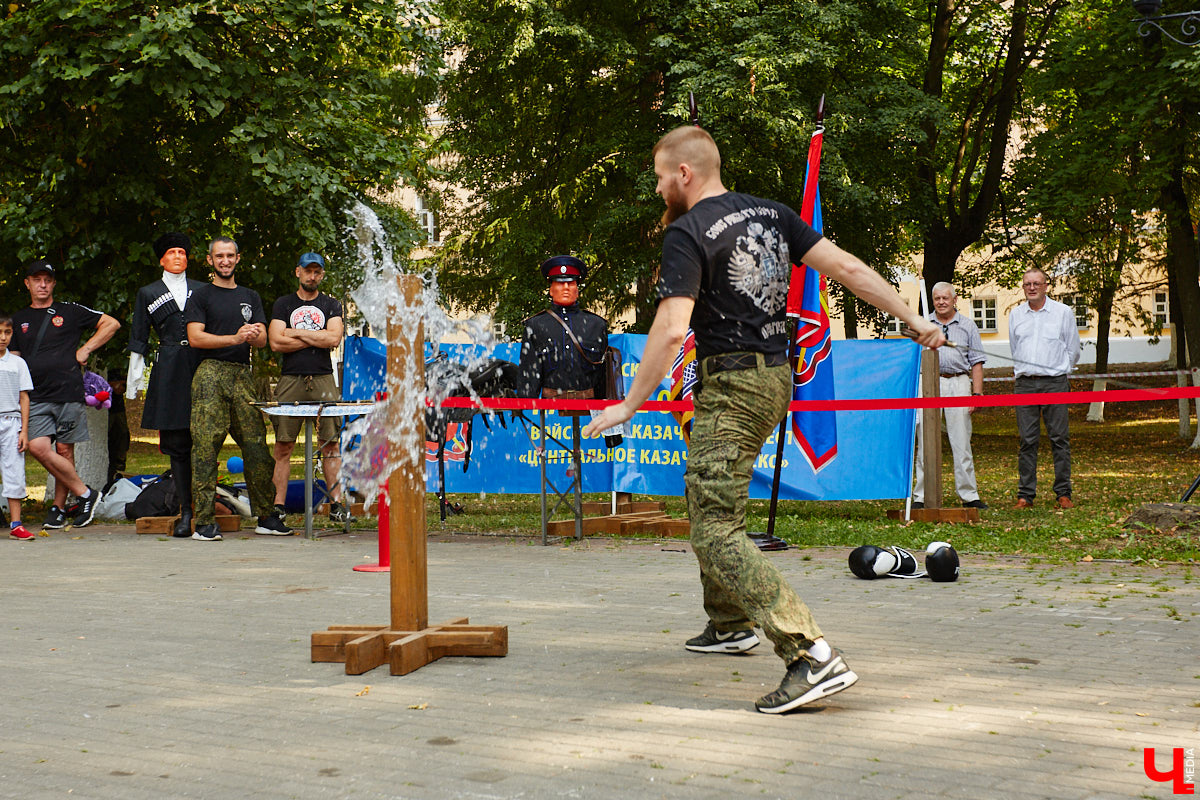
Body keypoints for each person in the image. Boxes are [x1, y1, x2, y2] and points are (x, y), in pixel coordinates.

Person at [583, 125, 944, 714]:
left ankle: (810, 655)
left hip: (734, 383)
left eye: (657, 177)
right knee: (708, 498)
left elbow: (674, 327)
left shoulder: (687, 232)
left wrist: (628, 404)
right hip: (776, 375)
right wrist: (913, 317)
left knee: (714, 526)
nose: (656, 189)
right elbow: (848, 268)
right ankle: (727, 623)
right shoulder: (773, 214)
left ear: (683, 174)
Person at [185, 237, 290, 541]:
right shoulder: (200, 296)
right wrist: (234, 337)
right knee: (205, 448)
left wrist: (253, 335)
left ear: (238, 258)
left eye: (230, 256)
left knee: (257, 446)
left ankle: (267, 516)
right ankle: (204, 523)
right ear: (210, 261)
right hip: (209, 374)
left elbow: (261, 340)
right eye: (220, 256)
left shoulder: (250, 296)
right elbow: (196, 338)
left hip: (243, 375)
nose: (225, 261)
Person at [11, 259, 120, 529]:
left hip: (68, 391)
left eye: (47, 279)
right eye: (37, 279)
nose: (43, 284)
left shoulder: (69, 311)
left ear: (54, 283)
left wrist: (86, 349)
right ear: (27, 283)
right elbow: (13, 359)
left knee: (64, 450)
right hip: (34, 395)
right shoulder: (18, 319)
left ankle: (58, 509)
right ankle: (85, 493)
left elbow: (112, 324)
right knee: (37, 446)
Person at [127, 232, 207, 537]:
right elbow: (139, 335)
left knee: (206, 439)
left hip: (201, 363)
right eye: (172, 252)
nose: (178, 257)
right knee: (176, 443)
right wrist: (136, 377)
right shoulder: (148, 293)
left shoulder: (202, 289)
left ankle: (207, 507)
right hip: (170, 368)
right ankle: (185, 510)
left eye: (183, 252)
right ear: (162, 258)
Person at [268, 252, 352, 523]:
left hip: (323, 379)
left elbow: (334, 338)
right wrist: (318, 337)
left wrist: (295, 332)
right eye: (308, 271)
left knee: (330, 444)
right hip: (291, 378)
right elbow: (276, 343)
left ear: (322, 275)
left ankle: (336, 504)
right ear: (298, 272)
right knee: (283, 446)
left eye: (317, 272)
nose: (312, 276)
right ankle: (278, 505)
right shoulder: (283, 304)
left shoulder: (331, 304)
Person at [1009, 267, 1081, 509]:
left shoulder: (1063, 313)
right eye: (1027, 283)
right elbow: (1014, 347)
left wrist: (1060, 370)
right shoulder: (1016, 315)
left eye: (1036, 283)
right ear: (1023, 287)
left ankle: (1063, 493)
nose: (1032, 287)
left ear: (1046, 286)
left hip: (1055, 383)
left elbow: (1073, 349)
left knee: (1059, 439)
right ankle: (1025, 496)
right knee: (1027, 440)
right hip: (1025, 384)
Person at [912, 281, 987, 510]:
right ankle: (921, 497)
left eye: (946, 298)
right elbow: (913, 359)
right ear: (933, 301)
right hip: (929, 384)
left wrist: (976, 393)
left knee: (961, 441)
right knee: (925, 443)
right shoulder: (923, 324)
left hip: (958, 383)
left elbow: (977, 362)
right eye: (937, 299)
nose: (941, 302)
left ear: (954, 300)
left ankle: (969, 495)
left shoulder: (967, 326)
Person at [517, 255, 609, 401]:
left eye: (571, 283)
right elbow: (529, 373)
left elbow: (603, 376)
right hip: (549, 410)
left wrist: (604, 406)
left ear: (577, 289)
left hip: (589, 408)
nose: (566, 288)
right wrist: (524, 404)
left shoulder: (596, 325)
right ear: (551, 289)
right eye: (560, 283)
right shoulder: (535, 325)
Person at [0, 314, 34, 540]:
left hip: (11, 423)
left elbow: (24, 398)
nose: (2, 338)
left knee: (14, 472)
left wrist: (24, 430)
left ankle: (16, 524)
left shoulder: (17, 363)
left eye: (7, 332)